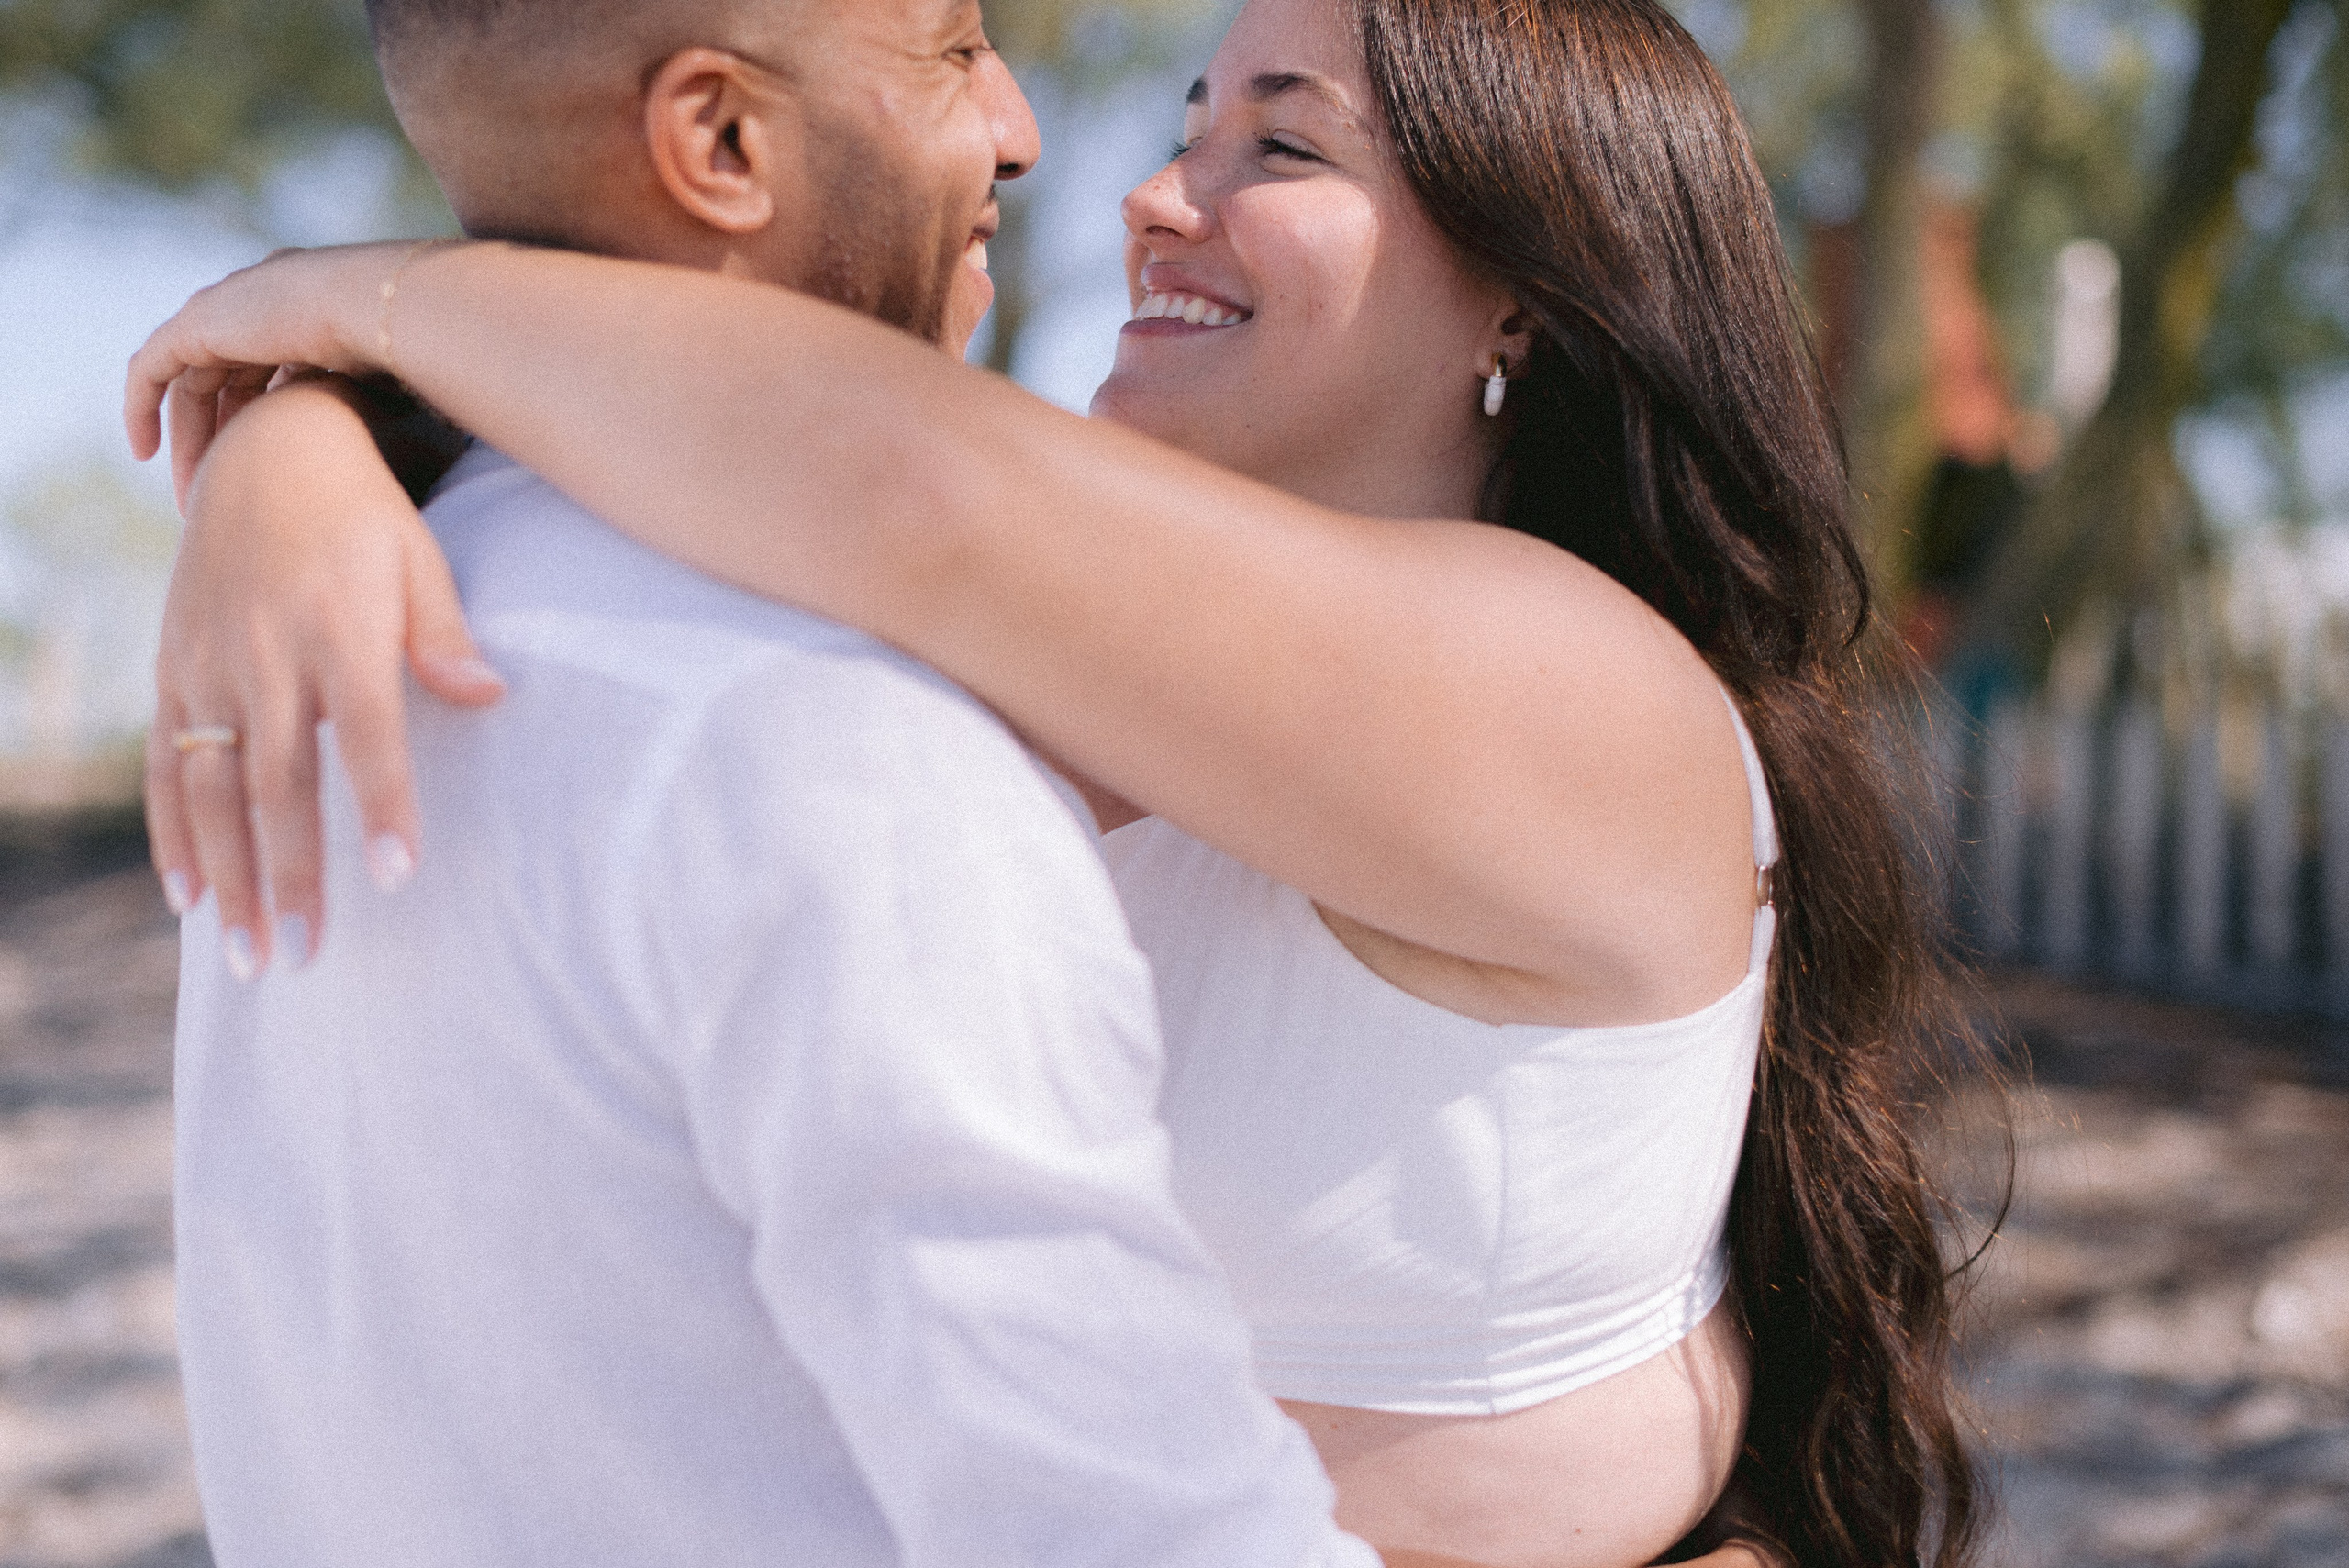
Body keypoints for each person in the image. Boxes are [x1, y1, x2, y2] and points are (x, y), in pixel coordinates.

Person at [132, 1, 1990, 1566]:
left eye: (1282, 150)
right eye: (1190, 124)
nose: (1143, 194)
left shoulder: (1590, 694)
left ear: (1524, 290)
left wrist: (327, 307)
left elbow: (886, 472)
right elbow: (751, 460)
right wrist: (297, 444)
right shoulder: (1091, 659)